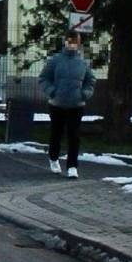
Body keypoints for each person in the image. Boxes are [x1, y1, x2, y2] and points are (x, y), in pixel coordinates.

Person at [39, 32, 95, 178]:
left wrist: (85, 94)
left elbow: (90, 81)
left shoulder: (82, 62)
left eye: (75, 42)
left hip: (76, 104)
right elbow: (44, 78)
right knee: (56, 133)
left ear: (78, 44)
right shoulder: (55, 61)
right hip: (57, 103)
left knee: (74, 135)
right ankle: (53, 157)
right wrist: (52, 91)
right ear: (64, 42)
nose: (72, 45)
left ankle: (72, 166)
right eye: (69, 41)